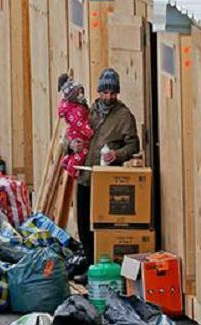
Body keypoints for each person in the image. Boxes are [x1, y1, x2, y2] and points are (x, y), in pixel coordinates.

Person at [72, 68, 139, 261]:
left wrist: (116, 155)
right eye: (105, 92)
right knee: (83, 223)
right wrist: (72, 145)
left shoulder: (124, 115)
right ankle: (88, 262)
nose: (108, 97)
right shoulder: (88, 111)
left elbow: (133, 144)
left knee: (101, 226)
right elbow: (71, 134)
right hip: (85, 174)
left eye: (112, 93)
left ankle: (99, 261)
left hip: (106, 179)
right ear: (99, 92)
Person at [57, 73, 94, 178]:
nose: (82, 95)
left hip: (78, 136)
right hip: (79, 136)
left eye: (82, 92)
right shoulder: (76, 111)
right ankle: (71, 168)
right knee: (80, 153)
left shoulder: (82, 108)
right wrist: (89, 132)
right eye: (79, 93)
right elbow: (80, 124)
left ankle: (67, 162)